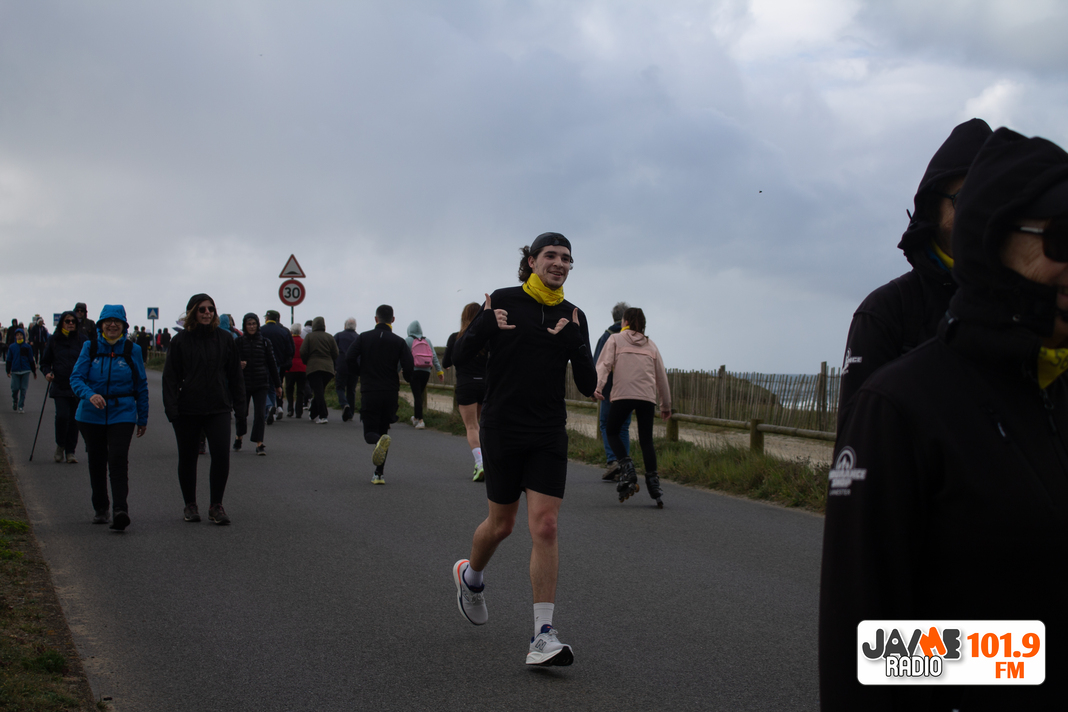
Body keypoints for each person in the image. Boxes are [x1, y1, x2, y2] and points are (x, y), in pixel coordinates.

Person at [819, 128, 1068, 711]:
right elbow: (871, 648)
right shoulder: (896, 395)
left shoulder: (1056, 385)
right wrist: (1026, 657)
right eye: (1062, 237)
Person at [450, 231, 596, 666]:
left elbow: (587, 384)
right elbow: (462, 356)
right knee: (502, 525)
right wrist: (485, 327)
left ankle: (543, 636)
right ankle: (471, 577)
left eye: (567, 258)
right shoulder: (502, 301)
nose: (560, 263)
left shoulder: (573, 315)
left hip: (548, 430)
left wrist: (574, 343)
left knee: (546, 526)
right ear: (531, 261)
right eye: (551, 255)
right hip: (502, 427)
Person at [837, 119, 993, 428]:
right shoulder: (886, 312)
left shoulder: (1035, 308)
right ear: (933, 208)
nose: (983, 212)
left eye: (995, 198)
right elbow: (858, 436)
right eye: (966, 198)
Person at [162, 294, 246, 525]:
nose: (207, 313)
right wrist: (172, 410)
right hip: (188, 409)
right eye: (202, 309)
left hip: (218, 407)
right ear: (192, 313)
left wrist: (240, 409)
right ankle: (190, 504)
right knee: (188, 457)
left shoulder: (225, 339)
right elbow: (170, 378)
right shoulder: (180, 341)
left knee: (221, 455)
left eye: (211, 309)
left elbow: (235, 376)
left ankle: (216, 505)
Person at [69, 305, 149, 531]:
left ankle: (120, 510)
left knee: (117, 459)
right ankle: (101, 507)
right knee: (96, 460)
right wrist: (90, 394)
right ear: (101, 325)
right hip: (90, 414)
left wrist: (142, 417)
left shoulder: (132, 349)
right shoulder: (90, 347)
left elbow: (141, 385)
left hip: (122, 412)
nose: (112, 325)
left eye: (117, 321)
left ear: (124, 325)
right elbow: (76, 378)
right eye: (108, 321)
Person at [594, 307, 671, 507]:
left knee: (612, 431)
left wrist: (598, 388)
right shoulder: (651, 345)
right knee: (646, 440)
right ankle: (654, 484)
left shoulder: (615, 339)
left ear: (625, 322)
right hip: (646, 397)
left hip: (623, 395)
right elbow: (661, 376)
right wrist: (665, 405)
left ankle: (627, 468)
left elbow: (603, 365)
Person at [345, 304, 414, 484]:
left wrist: (359, 372)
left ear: (376, 319)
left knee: (370, 433)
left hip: (370, 390)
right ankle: (378, 474)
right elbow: (409, 365)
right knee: (384, 431)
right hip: (390, 391)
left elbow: (349, 357)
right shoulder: (399, 341)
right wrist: (408, 378)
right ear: (393, 320)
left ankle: (378, 442)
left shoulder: (364, 337)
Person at [443, 303, 488, 481]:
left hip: (466, 384)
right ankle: (486, 462)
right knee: (480, 425)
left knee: (471, 427)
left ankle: (480, 463)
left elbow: (446, 362)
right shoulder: (487, 339)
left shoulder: (456, 338)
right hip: (485, 385)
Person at [40, 311, 87, 463]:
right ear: (62, 323)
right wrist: (47, 373)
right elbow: (45, 362)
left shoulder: (82, 341)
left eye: (73, 321)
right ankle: (60, 445)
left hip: (77, 387)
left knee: (74, 420)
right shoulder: (54, 340)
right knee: (62, 416)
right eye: (67, 321)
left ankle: (70, 451)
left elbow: (89, 361)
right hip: (60, 384)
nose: (71, 323)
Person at [593, 301, 631, 481]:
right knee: (623, 426)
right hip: (629, 388)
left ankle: (613, 461)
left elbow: (598, 364)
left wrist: (595, 387)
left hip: (608, 388)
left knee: (606, 424)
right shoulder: (633, 337)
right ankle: (625, 464)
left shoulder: (607, 336)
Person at [234, 313, 282, 455]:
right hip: (243, 383)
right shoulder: (238, 342)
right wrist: (238, 365)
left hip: (261, 383)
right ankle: (239, 436)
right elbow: (229, 361)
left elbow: (272, 364)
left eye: (254, 324)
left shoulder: (265, 342)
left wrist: (278, 385)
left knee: (260, 414)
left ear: (258, 325)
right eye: (249, 324)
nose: (252, 327)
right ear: (245, 326)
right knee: (241, 413)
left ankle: (259, 443)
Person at [405, 321, 444, 429]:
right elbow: (434, 356)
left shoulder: (408, 340)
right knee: (419, 394)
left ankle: (421, 421)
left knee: (417, 395)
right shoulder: (428, 340)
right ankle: (416, 418)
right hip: (426, 371)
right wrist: (439, 371)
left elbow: (404, 357)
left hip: (415, 371)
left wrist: (399, 370)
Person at [301, 316, 339, 424]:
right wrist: (330, 360)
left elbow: (303, 351)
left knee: (318, 391)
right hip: (328, 368)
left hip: (313, 367)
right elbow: (336, 353)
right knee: (320, 391)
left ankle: (323, 415)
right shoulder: (329, 337)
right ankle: (313, 413)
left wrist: (306, 361)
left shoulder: (309, 337)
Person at [261, 310, 294, 422]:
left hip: (262, 363)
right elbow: (290, 350)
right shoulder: (283, 332)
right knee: (273, 387)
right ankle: (271, 410)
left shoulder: (261, 330)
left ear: (267, 318)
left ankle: (268, 407)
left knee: (262, 387)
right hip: (277, 364)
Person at [334, 317, 359, 422]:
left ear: (345, 326)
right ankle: (351, 413)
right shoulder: (358, 337)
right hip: (354, 366)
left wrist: (334, 364)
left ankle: (344, 404)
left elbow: (333, 350)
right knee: (351, 390)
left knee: (340, 387)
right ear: (355, 327)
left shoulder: (338, 336)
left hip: (341, 365)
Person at [6, 327, 36, 413]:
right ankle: (15, 400)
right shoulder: (12, 347)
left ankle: (21, 406)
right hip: (15, 370)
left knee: (23, 389)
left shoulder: (27, 347)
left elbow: (31, 359)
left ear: (23, 336)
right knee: (15, 388)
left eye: (21, 335)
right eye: (17, 335)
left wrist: (34, 371)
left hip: (25, 370)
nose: (19, 336)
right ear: (15, 336)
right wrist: (8, 370)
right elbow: (9, 359)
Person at [285, 323, 308, 419]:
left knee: (289, 389)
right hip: (302, 368)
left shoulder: (289, 341)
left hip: (290, 368)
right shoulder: (303, 341)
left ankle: (290, 409)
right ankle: (299, 411)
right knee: (300, 390)